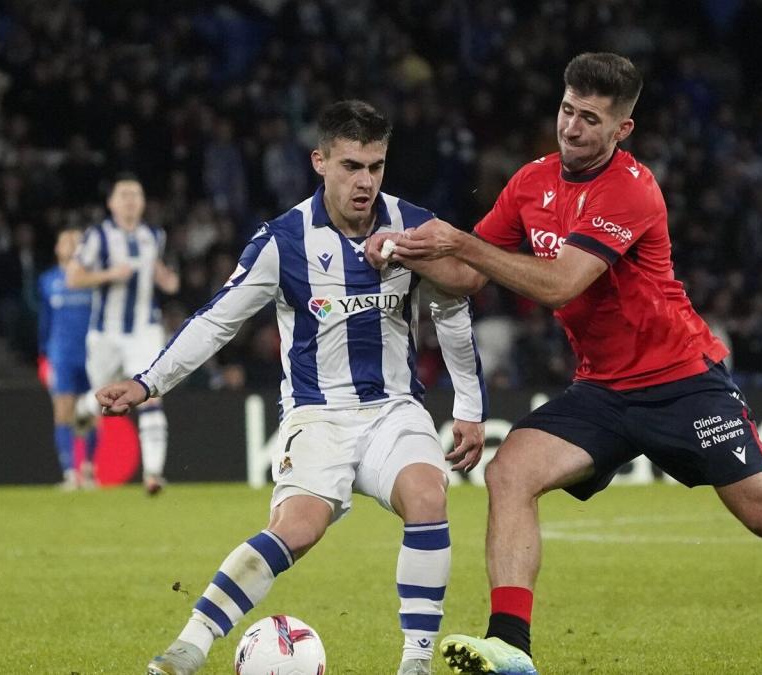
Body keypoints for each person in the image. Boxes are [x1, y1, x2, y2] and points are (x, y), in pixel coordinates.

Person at [368, 53, 762, 675]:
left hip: (684, 384)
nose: (571, 128)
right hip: (603, 390)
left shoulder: (630, 189)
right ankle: (511, 645)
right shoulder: (531, 182)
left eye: (590, 119)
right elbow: (463, 274)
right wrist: (400, 249)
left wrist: (459, 240)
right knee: (510, 471)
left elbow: (561, 284)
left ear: (622, 129)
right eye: (567, 110)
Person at [95, 100, 489, 675]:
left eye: (376, 166)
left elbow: (452, 310)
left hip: (393, 410)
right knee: (297, 528)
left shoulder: (413, 226)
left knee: (428, 499)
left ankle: (415, 664)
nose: (366, 181)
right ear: (319, 161)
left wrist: (470, 408)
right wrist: (148, 382)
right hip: (317, 415)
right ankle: (191, 644)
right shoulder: (282, 241)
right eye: (352, 165)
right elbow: (217, 319)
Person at [67, 174, 179, 495]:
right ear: (111, 203)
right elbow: (74, 277)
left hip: (145, 330)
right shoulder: (97, 237)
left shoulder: (154, 235)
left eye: (136, 194)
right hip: (105, 334)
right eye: (124, 194)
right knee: (103, 397)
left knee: (151, 393)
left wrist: (168, 280)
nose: (130, 200)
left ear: (143, 202)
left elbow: (162, 275)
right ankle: (83, 409)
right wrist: (109, 274)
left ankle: (153, 475)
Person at [39, 228, 97, 488]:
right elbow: (45, 321)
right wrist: (44, 354)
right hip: (62, 355)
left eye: (78, 241)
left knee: (93, 412)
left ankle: (88, 469)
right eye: (66, 240)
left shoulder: (94, 279)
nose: (72, 244)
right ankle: (69, 473)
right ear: (57, 248)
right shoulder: (48, 280)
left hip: (92, 354)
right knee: (62, 412)